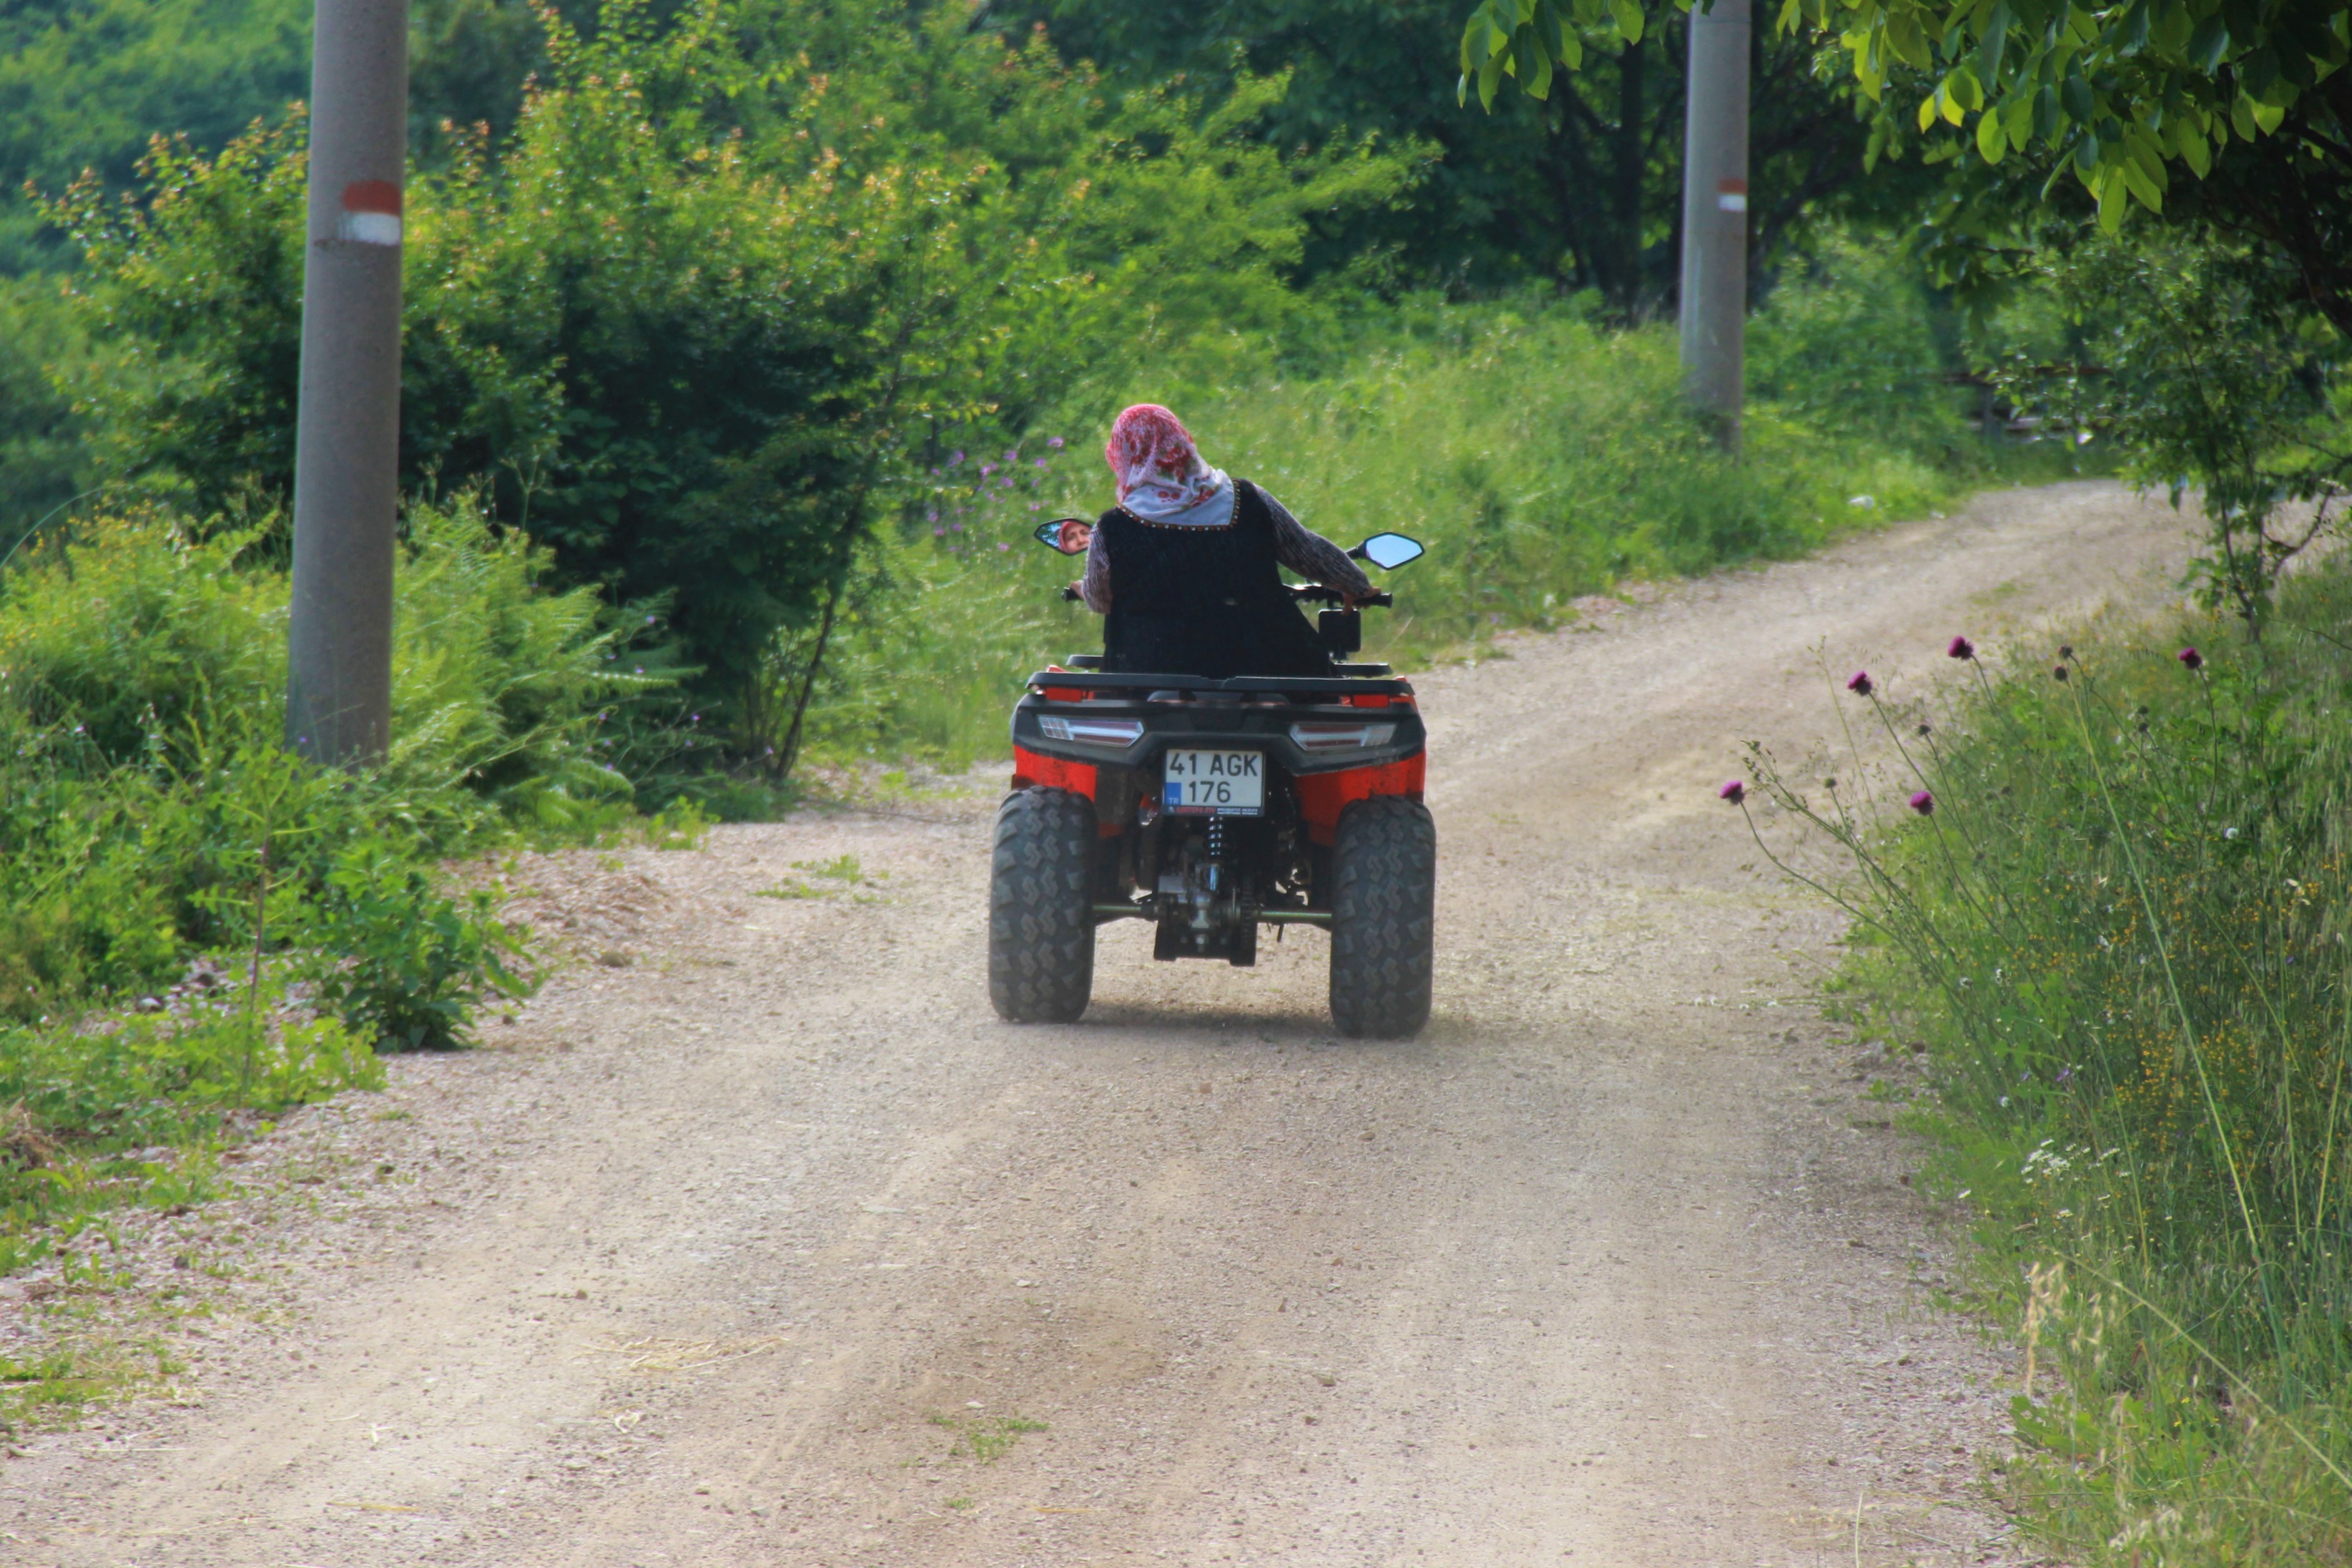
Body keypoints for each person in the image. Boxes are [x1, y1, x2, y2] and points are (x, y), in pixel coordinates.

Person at [1076, 404, 1372, 679]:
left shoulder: (1112, 527)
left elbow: (1101, 601)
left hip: (1151, 672)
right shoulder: (1248, 499)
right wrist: (1356, 584)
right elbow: (1308, 553)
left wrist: (1085, 588)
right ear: (1183, 443)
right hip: (1272, 666)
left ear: (1123, 456)